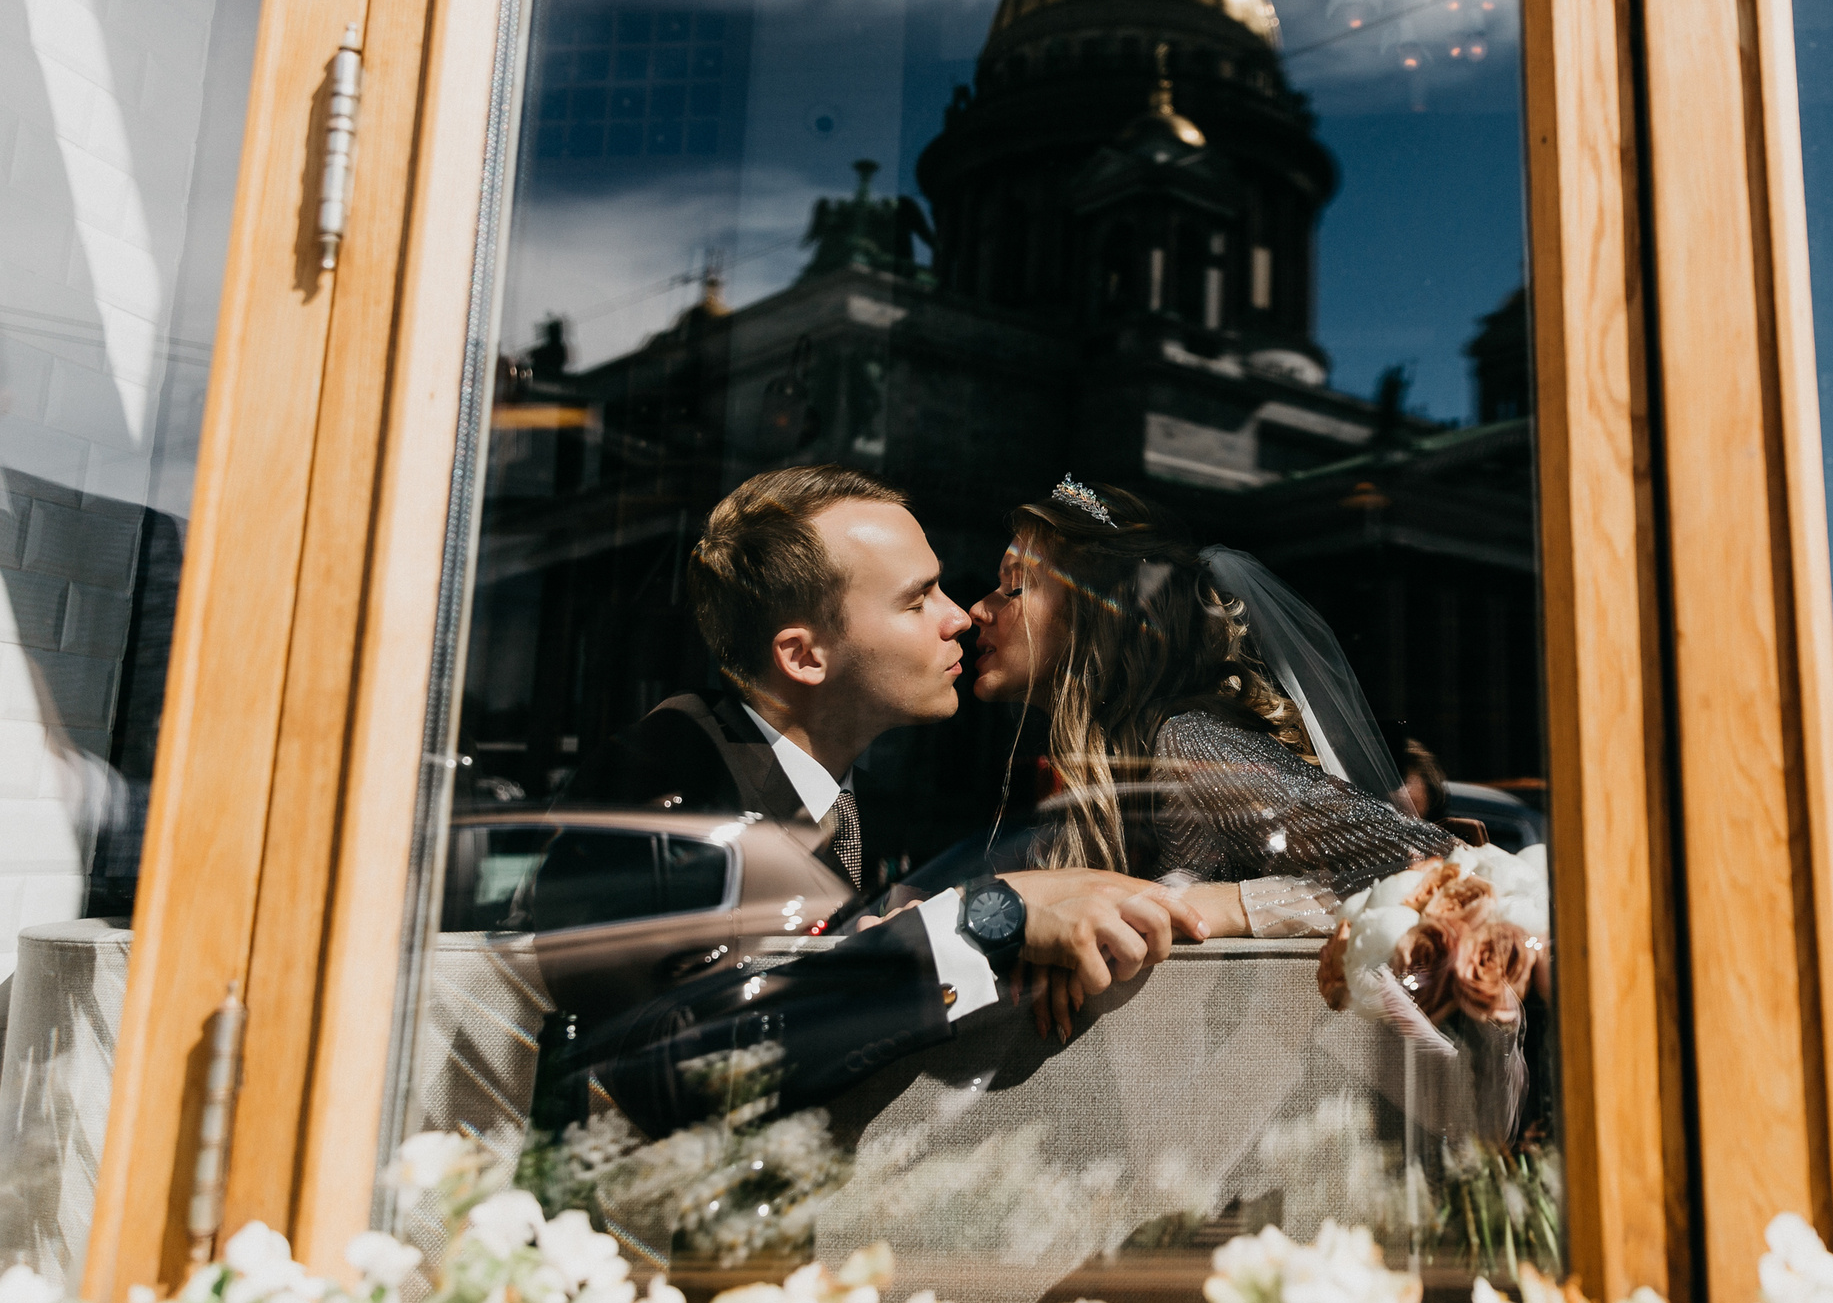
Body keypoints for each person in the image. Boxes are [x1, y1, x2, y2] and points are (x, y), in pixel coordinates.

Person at [548, 464, 1203, 1132]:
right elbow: (668, 1070)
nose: (960, 616)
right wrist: (985, 921)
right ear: (804, 657)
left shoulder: (866, 808)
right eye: (917, 600)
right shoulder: (666, 779)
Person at [967, 475, 1453, 1031]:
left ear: (1096, 612)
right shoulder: (1097, 767)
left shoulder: (1187, 745)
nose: (977, 609)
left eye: (1015, 586)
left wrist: (1222, 906)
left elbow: (1441, 871)